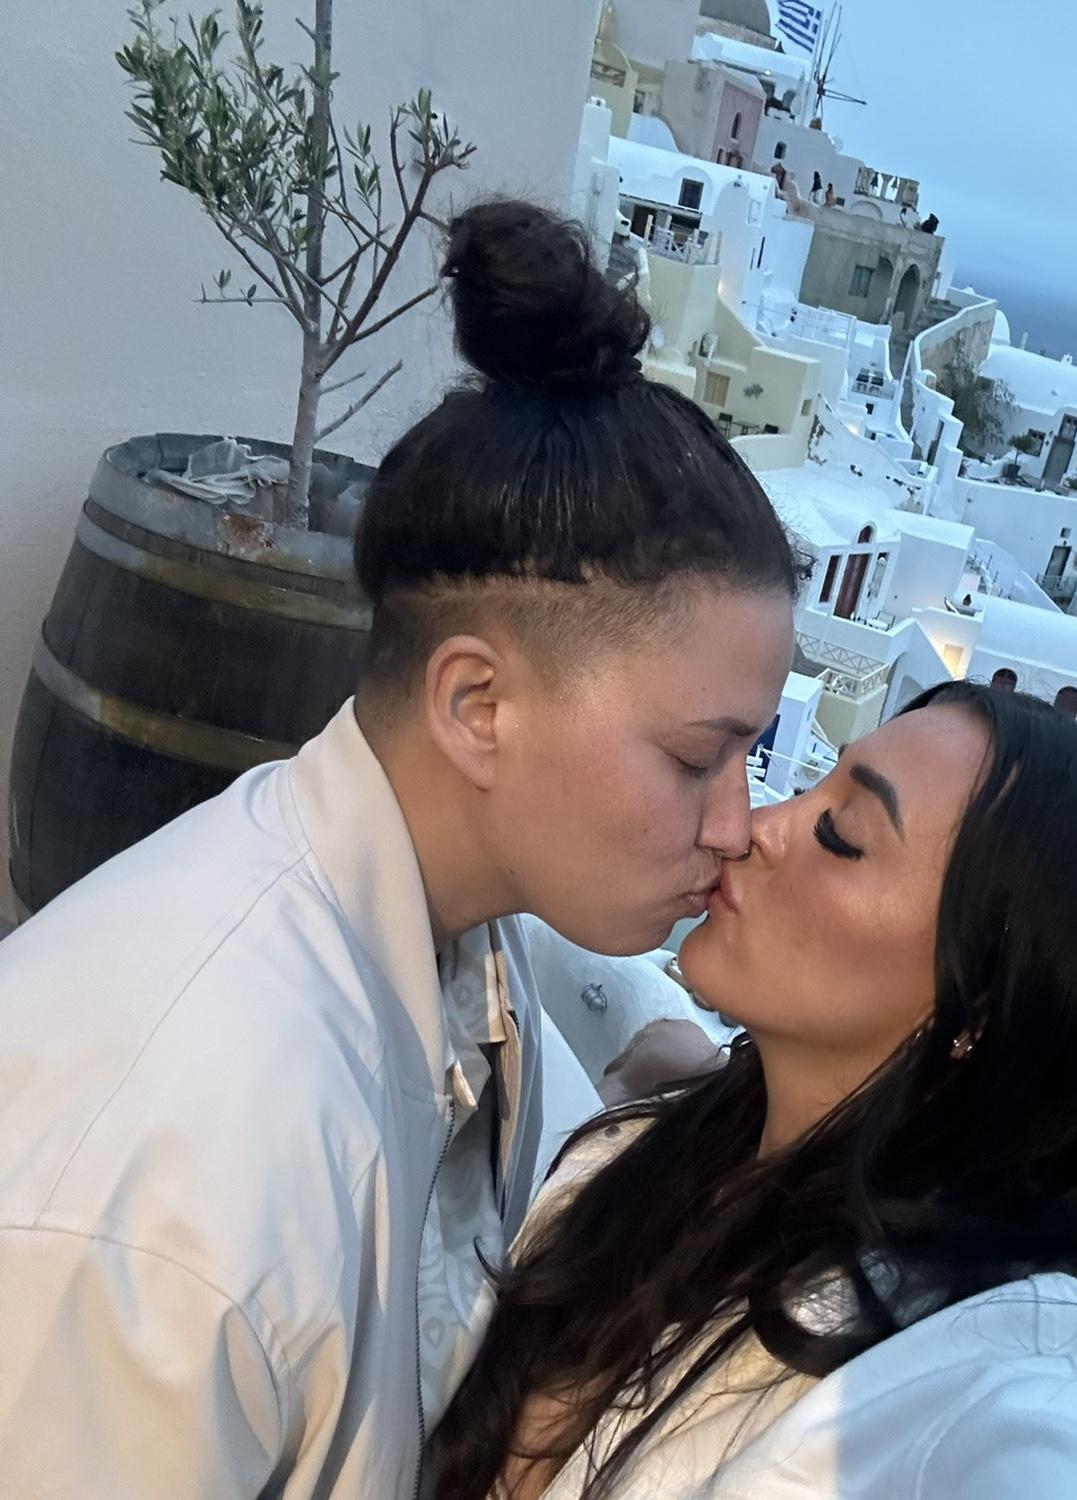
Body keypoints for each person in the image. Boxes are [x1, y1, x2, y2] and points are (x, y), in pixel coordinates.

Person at [0, 200, 797, 1499]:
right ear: (478, 705)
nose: (738, 822)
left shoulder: (464, 953)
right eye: (696, 757)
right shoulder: (171, 1170)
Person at [432, 684, 1077, 1499]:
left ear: (978, 1011)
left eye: (840, 834)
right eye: (812, 790)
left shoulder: (1003, 1373)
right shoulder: (664, 1159)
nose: (753, 828)